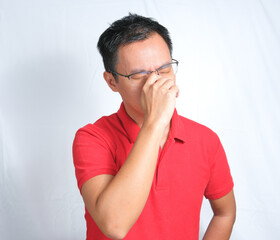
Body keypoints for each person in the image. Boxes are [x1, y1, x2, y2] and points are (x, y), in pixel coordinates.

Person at [73, 13, 236, 240]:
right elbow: (114, 225)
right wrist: (154, 122)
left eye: (165, 69)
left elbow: (225, 213)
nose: (156, 82)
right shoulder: (93, 138)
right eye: (139, 75)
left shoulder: (205, 139)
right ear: (112, 82)